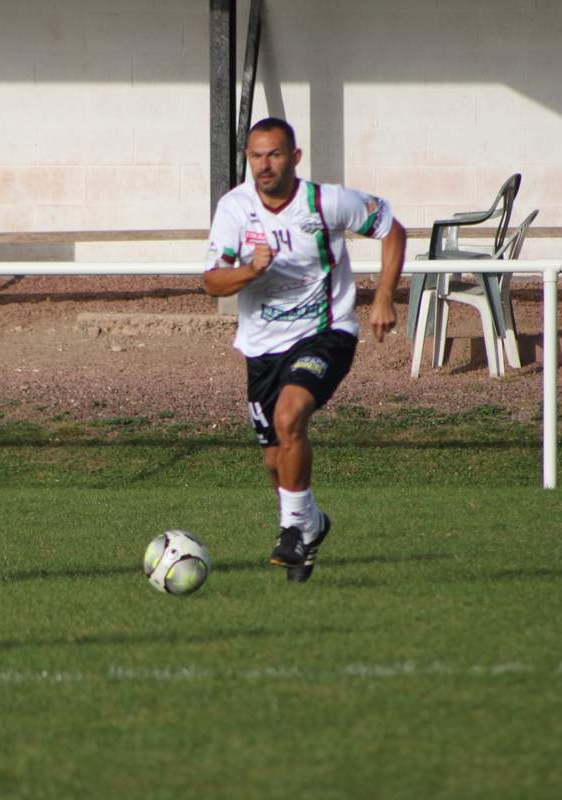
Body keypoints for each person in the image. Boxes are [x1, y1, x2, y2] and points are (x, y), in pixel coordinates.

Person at [203, 117, 405, 583]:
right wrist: (249, 273)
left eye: (274, 154)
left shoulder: (326, 201)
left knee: (290, 416)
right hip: (261, 348)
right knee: (276, 459)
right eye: (256, 156)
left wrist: (383, 296)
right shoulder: (235, 208)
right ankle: (311, 524)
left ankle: (293, 529)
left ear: (294, 157)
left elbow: (392, 229)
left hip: (326, 332)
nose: (264, 165)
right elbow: (212, 281)